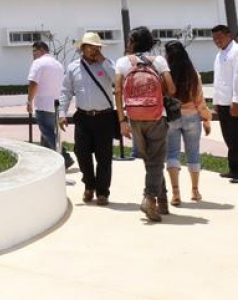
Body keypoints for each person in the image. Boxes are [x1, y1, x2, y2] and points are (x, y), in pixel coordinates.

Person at [115, 26, 176, 222]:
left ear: (133, 42)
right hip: (157, 116)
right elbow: (172, 89)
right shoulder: (158, 61)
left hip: (134, 117)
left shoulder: (123, 62)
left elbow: (118, 91)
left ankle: (162, 202)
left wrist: (122, 120)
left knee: (151, 161)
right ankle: (149, 199)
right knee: (155, 161)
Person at [58, 33, 117, 206]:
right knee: (81, 153)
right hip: (83, 117)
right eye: (90, 47)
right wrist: (62, 113)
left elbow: (117, 80)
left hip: (104, 117)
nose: (93, 50)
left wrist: (104, 61)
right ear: (82, 48)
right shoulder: (73, 67)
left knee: (104, 156)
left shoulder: (107, 64)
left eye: (96, 47)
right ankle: (89, 185)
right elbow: (66, 91)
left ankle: (102, 192)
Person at [165, 41, 213, 204]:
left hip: (172, 117)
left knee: (172, 153)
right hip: (192, 116)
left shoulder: (166, 75)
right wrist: (206, 119)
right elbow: (200, 100)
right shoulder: (194, 74)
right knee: (193, 153)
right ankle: (195, 191)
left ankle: (175, 193)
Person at [28, 41, 74, 168]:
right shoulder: (58, 64)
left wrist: (29, 101)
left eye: (34, 51)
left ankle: (66, 158)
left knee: (48, 133)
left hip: (43, 104)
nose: (33, 54)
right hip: (56, 104)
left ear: (42, 50)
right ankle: (47, 160)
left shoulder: (38, 63)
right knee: (48, 135)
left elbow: (33, 83)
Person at [211, 24, 238, 182]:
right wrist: (215, 101)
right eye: (214, 38)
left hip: (232, 103)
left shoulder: (236, 51)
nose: (217, 41)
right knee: (229, 137)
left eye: (219, 37)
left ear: (229, 35)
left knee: (236, 137)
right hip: (222, 102)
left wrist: (236, 101)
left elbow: (237, 78)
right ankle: (233, 169)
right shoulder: (219, 54)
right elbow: (217, 79)